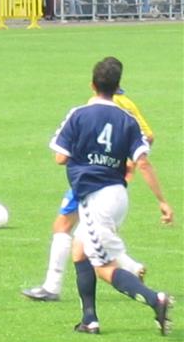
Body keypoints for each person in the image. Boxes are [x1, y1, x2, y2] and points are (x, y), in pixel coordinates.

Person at [50, 57, 173, 335]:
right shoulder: (127, 120)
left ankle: (156, 300)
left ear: (92, 85)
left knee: (103, 267)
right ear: (118, 88)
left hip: (96, 200)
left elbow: (60, 157)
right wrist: (162, 202)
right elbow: (142, 161)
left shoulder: (78, 114)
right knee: (79, 250)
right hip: (118, 195)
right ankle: (89, 319)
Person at [23, 59, 156, 302]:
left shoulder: (90, 108)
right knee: (85, 238)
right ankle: (128, 270)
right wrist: (128, 161)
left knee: (66, 228)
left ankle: (53, 287)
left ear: (93, 84)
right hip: (112, 184)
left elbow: (62, 156)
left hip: (90, 180)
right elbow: (148, 136)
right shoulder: (126, 106)